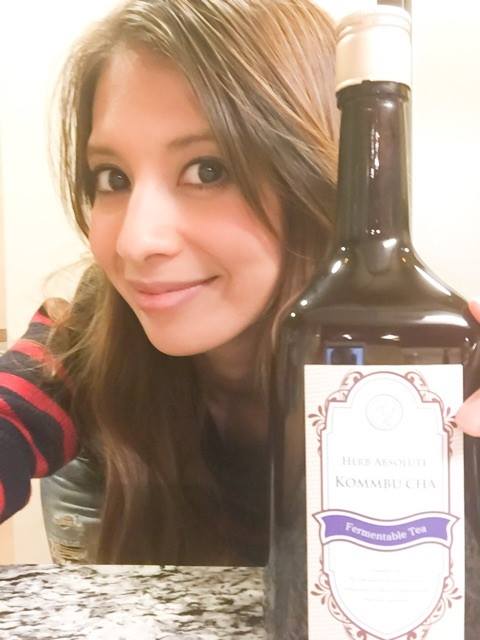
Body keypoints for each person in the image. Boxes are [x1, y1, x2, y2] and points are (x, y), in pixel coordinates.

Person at [0, 0, 478, 566]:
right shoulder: (85, 335)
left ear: (319, 181)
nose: (135, 241)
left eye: (208, 170)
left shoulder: (425, 361)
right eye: (113, 177)